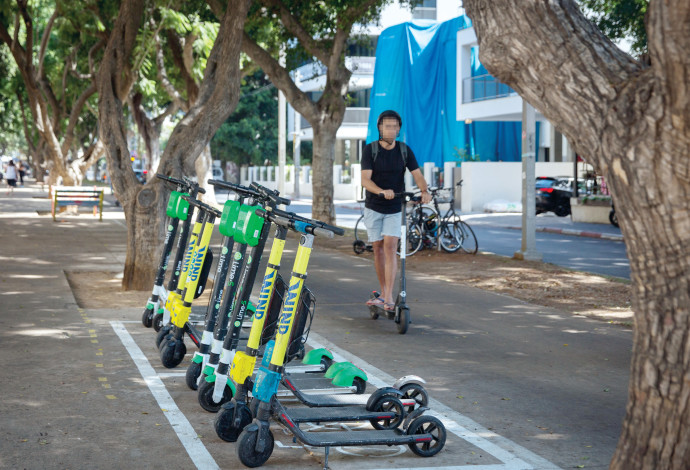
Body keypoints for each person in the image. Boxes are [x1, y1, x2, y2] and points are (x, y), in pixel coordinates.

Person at [360, 110, 432, 312]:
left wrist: (424, 191)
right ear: (380, 128)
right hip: (374, 206)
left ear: (399, 129)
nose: (391, 130)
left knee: (391, 246)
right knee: (378, 248)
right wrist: (381, 191)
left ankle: (389, 296)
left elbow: (417, 174)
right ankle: (383, 293)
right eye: (387, 126)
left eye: (394, 126)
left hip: (394, 207)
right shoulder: (370, 150)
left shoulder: (404, 150)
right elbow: (365, 179)